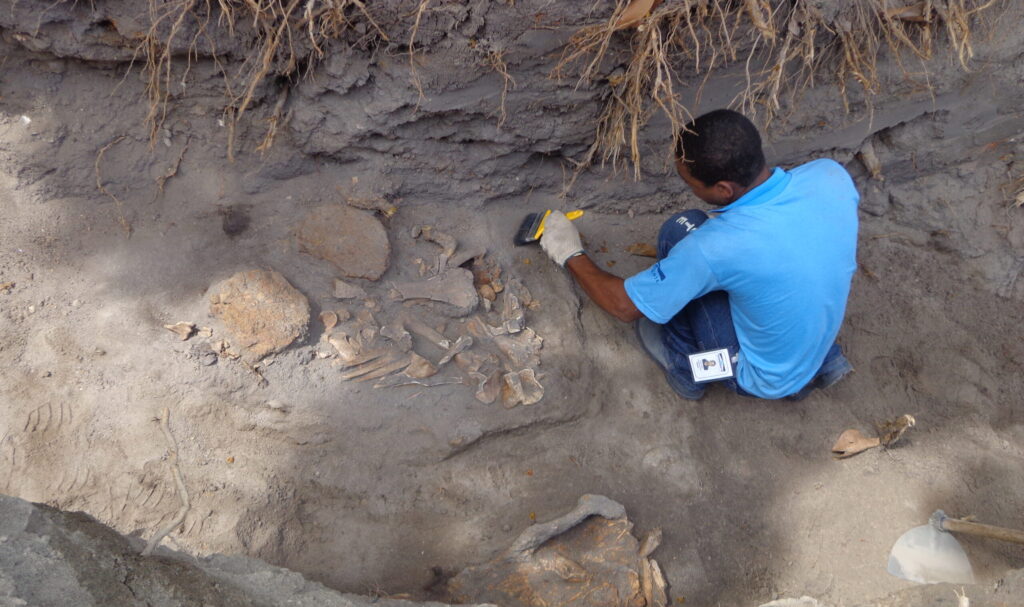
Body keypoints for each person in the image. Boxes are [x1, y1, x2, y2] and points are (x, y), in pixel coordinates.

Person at [539, 109, 859, 400]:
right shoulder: (830, 176)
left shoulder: (715, 247)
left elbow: (623, 306)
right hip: (810, 341)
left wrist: (570, 252)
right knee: (787, 274)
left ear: (723, 190)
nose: (689, 189)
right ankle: (826, 361)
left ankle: (686, 371)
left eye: (690, 183)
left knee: (681, 230)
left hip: (762, 379)